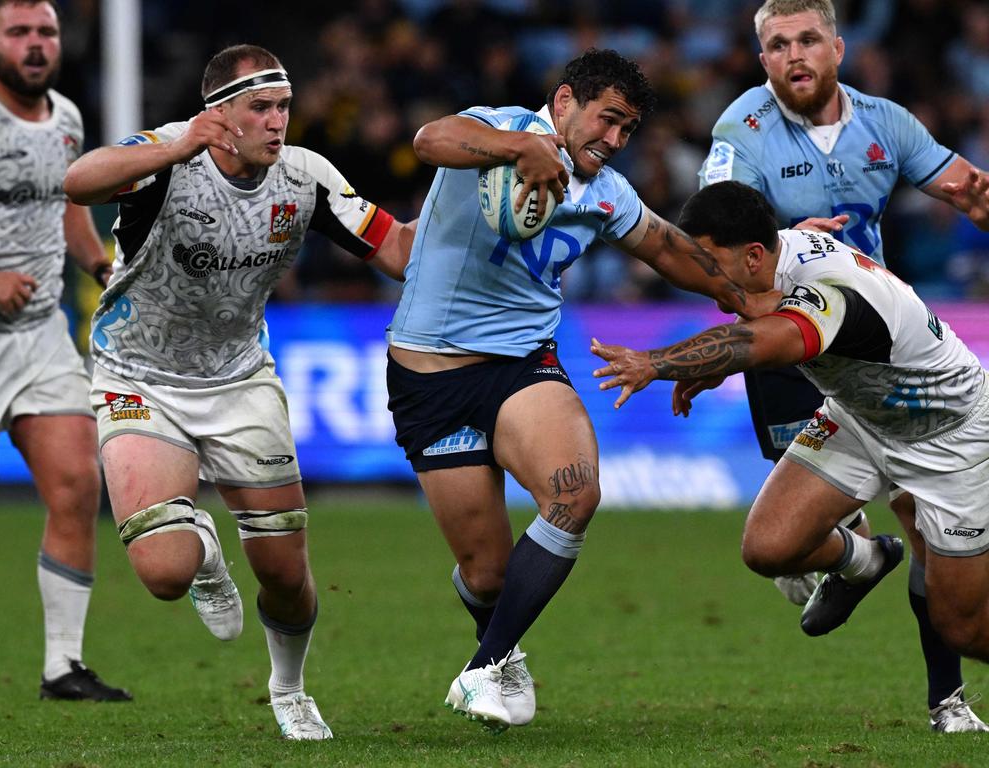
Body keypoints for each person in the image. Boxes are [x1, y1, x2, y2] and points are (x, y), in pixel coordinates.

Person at [385, 48, 775, 733]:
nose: (616, 140)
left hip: (520, 366)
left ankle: (485, 662)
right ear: (565, 102)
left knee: (575, 492)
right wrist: (520, 148)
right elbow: (428, 140)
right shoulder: (493, 126)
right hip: (429, 376)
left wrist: (740, 295)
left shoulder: (605, 191)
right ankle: (499, 646)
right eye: (609, 120)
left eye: (628, 131)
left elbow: (665, 247)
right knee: (486, 576)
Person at [62, 44, 413, 739]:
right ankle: (202, 550)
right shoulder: (169, 154)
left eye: (283, 105)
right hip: (137, 374)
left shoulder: (305, 177)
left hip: (238, 379)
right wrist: (178, 143)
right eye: (261, 107)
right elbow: (78, 180)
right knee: (164, 569)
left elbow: (396, 250)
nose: (278, 121)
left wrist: (473, 228)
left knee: (285, 572)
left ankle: (289, 689)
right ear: (220, 113)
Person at [697, 0, 989, 732]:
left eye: (806, 39)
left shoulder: (884, 123)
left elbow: (961, 185)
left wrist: (978, 200)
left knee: (923, 526)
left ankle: (946, 699)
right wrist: (786, 235)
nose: (794, 55)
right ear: (761, 58)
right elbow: (715, 217)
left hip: (874, 346)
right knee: (785, 550)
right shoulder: (742, 129)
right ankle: (859, 559)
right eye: (776, 45)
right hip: (784, 345)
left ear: (837, 46)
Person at [590, 181, 989, 713]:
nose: (702, 274)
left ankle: (947, 695)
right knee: (769, 548)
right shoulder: (777, 247)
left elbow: (761, 341)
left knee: (962, 627)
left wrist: (656, 362)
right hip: (861, 417)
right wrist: (708, 369)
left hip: (948, 438)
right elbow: (759, 305)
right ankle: (865, 561)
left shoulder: (829, 292)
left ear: (754, 256)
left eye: (709, 261)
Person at [0, 0, 129, 703]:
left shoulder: (65, 118)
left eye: (46, 33)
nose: (36, 46)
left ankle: (64, 666)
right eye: (21, 33)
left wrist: (99, 266)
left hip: (40, 336)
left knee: (75, 484)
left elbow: (67, 208)